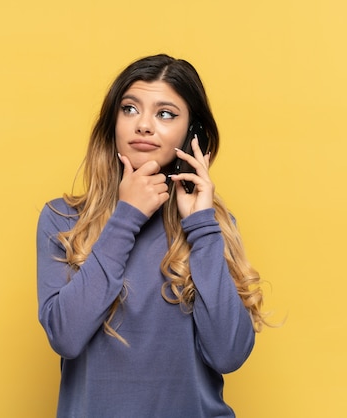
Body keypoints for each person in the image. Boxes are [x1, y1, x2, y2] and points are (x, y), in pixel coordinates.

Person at [37, 54, 268, 418]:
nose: (144, 125)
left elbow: (229, 354)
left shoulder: (209, 225)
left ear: (194, 135)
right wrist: (126, 217)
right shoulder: (63, 220)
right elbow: (65, 336)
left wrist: (202, 227)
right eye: (130, 109)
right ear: (112, 123)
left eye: (165, 114)